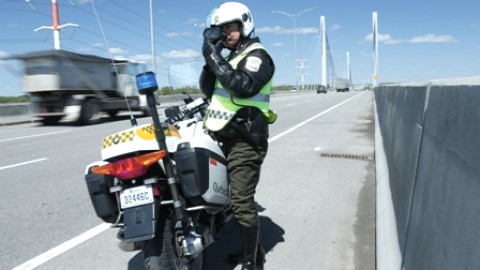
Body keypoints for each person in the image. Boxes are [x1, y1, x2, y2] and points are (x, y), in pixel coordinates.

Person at [199, 2, 276, 270]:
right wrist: (212, 56)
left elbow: (243, 86)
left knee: (242, 203)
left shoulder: (257, 56)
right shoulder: (230, 57)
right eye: (220, 29)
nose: (224, 33)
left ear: (245, 25)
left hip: (246, 139)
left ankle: (251, 262)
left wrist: (215, 57)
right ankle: (255, 252)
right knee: (224, 199)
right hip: (224, 137)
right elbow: (208, 89)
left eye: (229, 28)